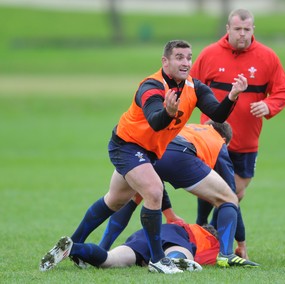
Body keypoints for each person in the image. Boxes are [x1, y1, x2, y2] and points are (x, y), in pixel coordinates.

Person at [40, 39, 248, 274]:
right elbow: (155, 121)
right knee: (154, 191)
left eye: (189, 57)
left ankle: (73, 245)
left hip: (150, 152)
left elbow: (217, 114)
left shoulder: (194, 87)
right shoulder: (151, 86)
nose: (186, 62)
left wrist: (232, 96)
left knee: (115, 200)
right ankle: (159, 260)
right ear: (165, 61)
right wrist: (168, 112)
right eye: (179, 57)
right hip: (127, 146)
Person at [190, 9, 285, 256]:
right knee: (218, 189)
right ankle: (208, 235)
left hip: (247, 142)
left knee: (237, 192)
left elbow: (283, 90)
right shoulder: (209, 55)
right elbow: (190, 87)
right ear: (228, 28)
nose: (242, 34)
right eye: (238, 29)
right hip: (212, 139)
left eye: (247, 30)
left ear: (253, 30)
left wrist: (269, 105)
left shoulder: (268, 57)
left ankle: (208, 232)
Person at [95, 121, 255, 267]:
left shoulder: (190, 128)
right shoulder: (219, 142)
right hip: (180, 155)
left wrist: (170, 213)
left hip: (150, 149)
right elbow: (229, 194)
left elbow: (159, 182)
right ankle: (226, 255)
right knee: (228, 199)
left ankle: (102, 249)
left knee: (135, 196)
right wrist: (241, 243)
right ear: (225, 140)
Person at [39, 221, 221, 272]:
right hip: (173, 236)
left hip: (144, 234)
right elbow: (207, 258)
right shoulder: (205, 236)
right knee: (182, 252)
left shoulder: (177, 222)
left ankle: (74, 248)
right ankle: (173, 261)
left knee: (110, 260)